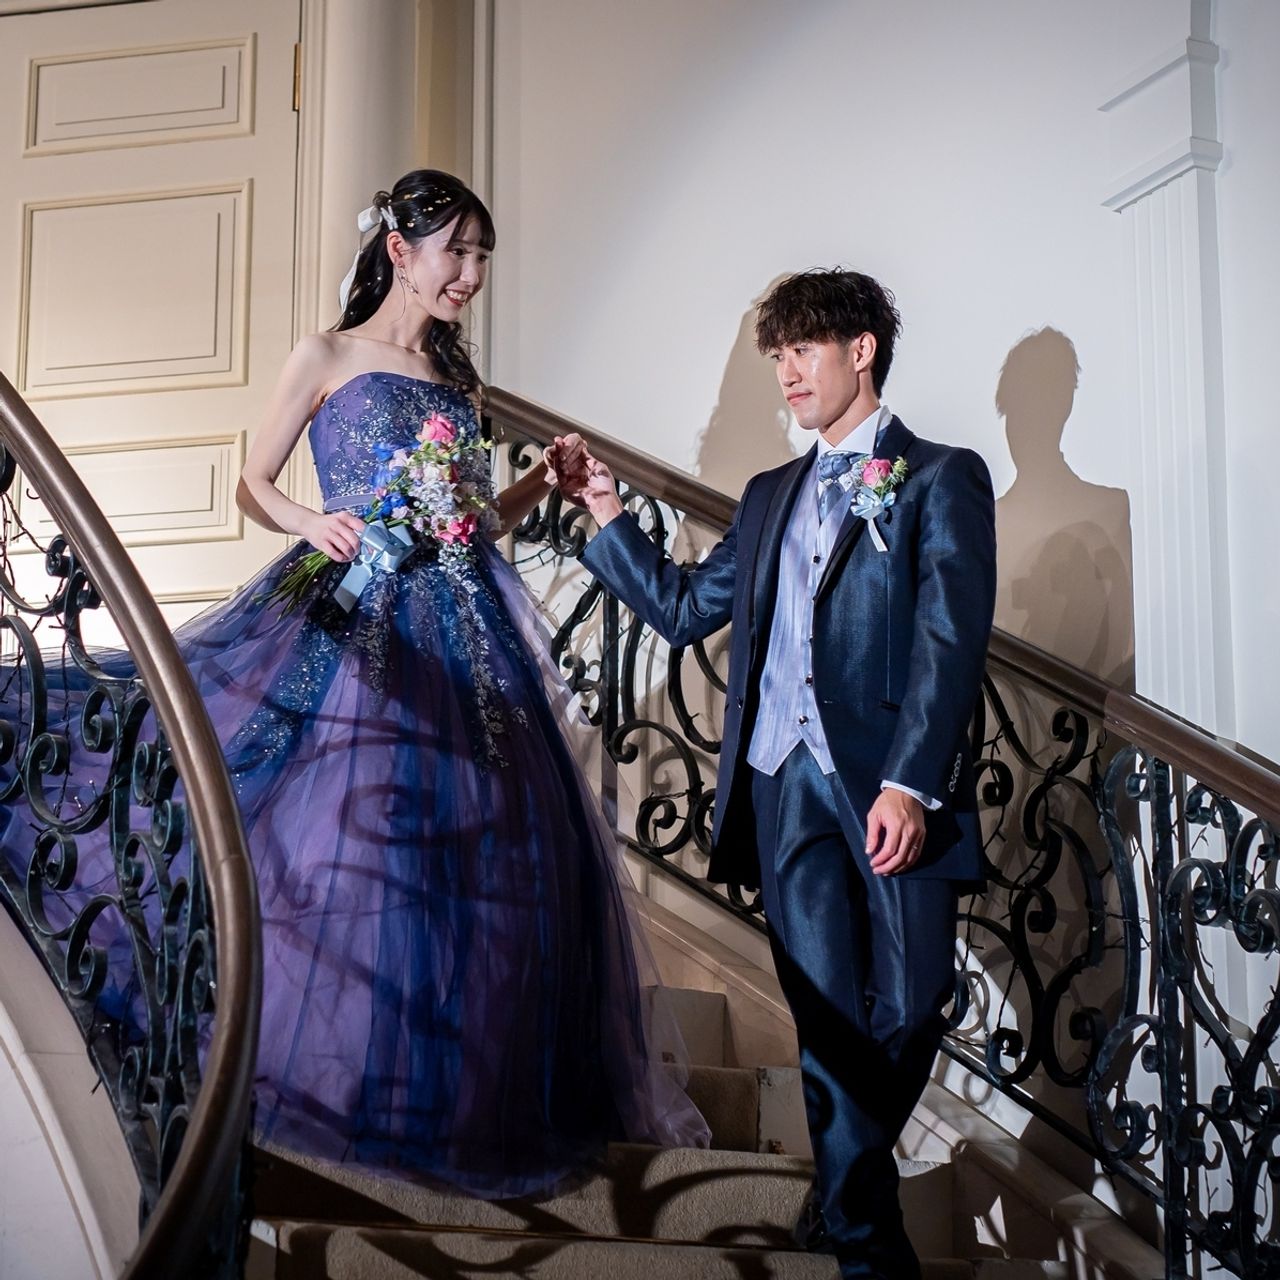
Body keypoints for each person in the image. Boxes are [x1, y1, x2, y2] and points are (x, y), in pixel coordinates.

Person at [0, 169, 708, 1198]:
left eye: (482, 257)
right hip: (355, 613)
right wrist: (310, 520)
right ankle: (324, 1068)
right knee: (335, 823)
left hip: (465, 629)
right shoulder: (325, 355)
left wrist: (532, 485)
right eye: (457, 252)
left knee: (483, 844)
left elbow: (475, 523)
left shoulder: (459, 388)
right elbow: (253, 480)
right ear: (399, 251)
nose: (471, 275)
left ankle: (462, 1095)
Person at [547, 268, 996, 1278]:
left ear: (860, 351)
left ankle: (840, 1197)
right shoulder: (765, 497)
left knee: (916, 996)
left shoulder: (939, 477)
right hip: (779, 783)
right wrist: (604, 509)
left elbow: (949, 638)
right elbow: (679, 609)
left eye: (803, 350)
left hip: (888, 784)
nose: (787, 373)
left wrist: (910, 783)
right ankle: (865, 1247)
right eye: (777, 355)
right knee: (828, 1021)